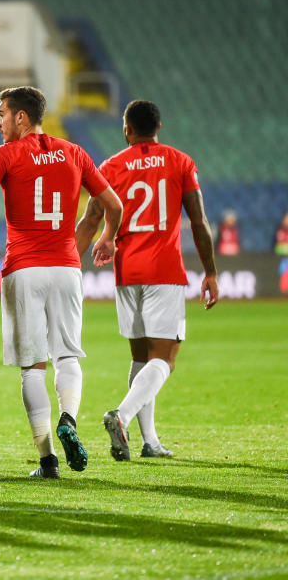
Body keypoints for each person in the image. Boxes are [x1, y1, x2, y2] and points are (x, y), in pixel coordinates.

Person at [0, 86, 123, 479]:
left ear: (21, 118)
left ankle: (47, 460)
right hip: (66, 267)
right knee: (68, 356)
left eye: (2, 114)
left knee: (32, 368)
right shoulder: (75, 152)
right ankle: (69, 419)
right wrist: (107, 238)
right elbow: (112, 205)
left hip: (24, 268)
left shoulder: (6, 155)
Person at [75, 99, 218, 460]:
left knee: (141, 357)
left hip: (127, 272)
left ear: (127, 129)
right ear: (159, 126)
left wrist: (67, 262)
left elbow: (91, 220)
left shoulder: (111, 166)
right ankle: (121, 415)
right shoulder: (180, 161)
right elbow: (198, 222)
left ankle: (149, 441)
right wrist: (211, 272)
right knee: (164, 359)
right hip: (164, 271)